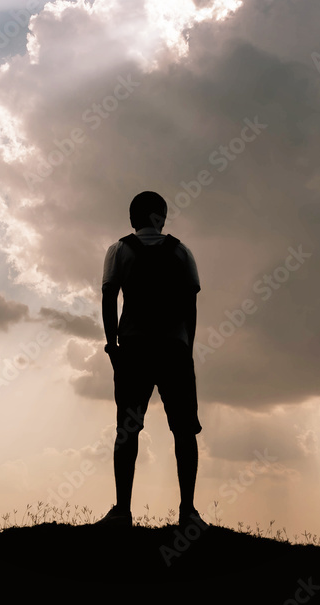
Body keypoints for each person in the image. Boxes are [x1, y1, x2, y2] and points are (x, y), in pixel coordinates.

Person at [94, 191, 206, 529]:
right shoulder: (181, 251)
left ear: (132, 218)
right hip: (174, 348)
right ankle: (188, 511)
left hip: (134, 348)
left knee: (127, 430)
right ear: (163, 217)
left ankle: (122, 511)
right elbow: (191, 305)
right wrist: (187, 347)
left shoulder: (119, 250)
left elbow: (109, 296)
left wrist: (111, 343)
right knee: (184, 430)